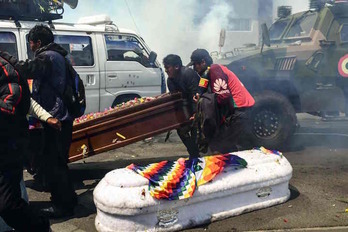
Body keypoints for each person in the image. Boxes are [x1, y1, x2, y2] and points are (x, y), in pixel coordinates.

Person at [15, 24, 77, 218]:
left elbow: (28, 69)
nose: (30, 47)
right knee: (57, 161)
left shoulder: (48, 56)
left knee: (55, 163)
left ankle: (62, 206)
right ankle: (69, 199)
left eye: (31, 43)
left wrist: (6, 60)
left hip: (57, 118)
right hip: (59, 116)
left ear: (38, 42)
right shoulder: (58, 55)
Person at [0, 51, 50, 231]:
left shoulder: (4, 68)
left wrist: (48, 117)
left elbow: (10, 104)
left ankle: (41, 227)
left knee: (9, 206)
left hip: (7, 146)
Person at [188, 49, 255, 153]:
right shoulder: (207, 74)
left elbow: (223, 97)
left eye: (196, 65)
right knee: (225, 146)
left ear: (203, 62)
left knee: (220, 145)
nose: (194, 68)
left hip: (239, 110)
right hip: (239, 111)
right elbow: (203, 93)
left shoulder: (215, 69)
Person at [163, 54, 201, 159]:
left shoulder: (188, 74)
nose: (166, 70)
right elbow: (175, 99)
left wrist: (195, 113)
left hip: (199, 105)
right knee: (181, 130)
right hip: (185, 108)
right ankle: (194, 154)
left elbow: (196, 94)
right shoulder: (170, 80)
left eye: (167, 67)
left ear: (176, 67)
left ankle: (197, 156)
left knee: (195, 131)